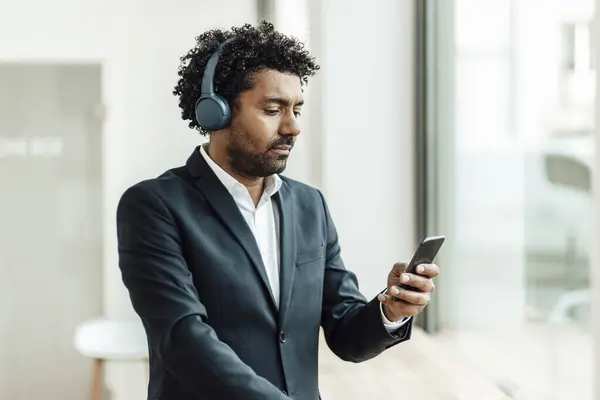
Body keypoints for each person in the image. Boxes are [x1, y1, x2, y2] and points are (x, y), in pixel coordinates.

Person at [116, 21, 439, 400]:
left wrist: (391, 309)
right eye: (273, 109)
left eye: (297, 109)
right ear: (216, 113)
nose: (293, 127)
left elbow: (346, 336)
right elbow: (183, 338)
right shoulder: (155, 206)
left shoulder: (309, 205)